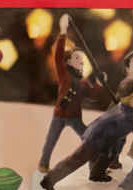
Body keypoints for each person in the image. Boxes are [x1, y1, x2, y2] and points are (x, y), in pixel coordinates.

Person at [40, 78, 133, 190]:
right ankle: (48, 181)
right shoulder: (128, 117)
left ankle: (97, 175)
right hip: (95, 139)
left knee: (109, 155)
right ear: (131, 98)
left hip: (104, 139)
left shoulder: (125, 107)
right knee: (74, 161)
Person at [38, 13, 107, 173]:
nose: (80, 62)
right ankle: (43, 163)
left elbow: (92, 93)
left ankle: (97, 164)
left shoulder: (83, 82)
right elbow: (58, 55)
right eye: (76, 58)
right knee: (51, 141)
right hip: (60, 116)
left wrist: (100, 83)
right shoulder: (64, 74)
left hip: (75, 118)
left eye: (81, 60)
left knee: (89, 139)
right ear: (68, 61)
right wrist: (63, 32)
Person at [109, 49, 133, 169]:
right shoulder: (125, 84)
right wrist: (111, 113)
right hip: (123, 117)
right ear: (127, 68)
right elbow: (117, 100)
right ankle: (112, 159)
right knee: (119, 139)